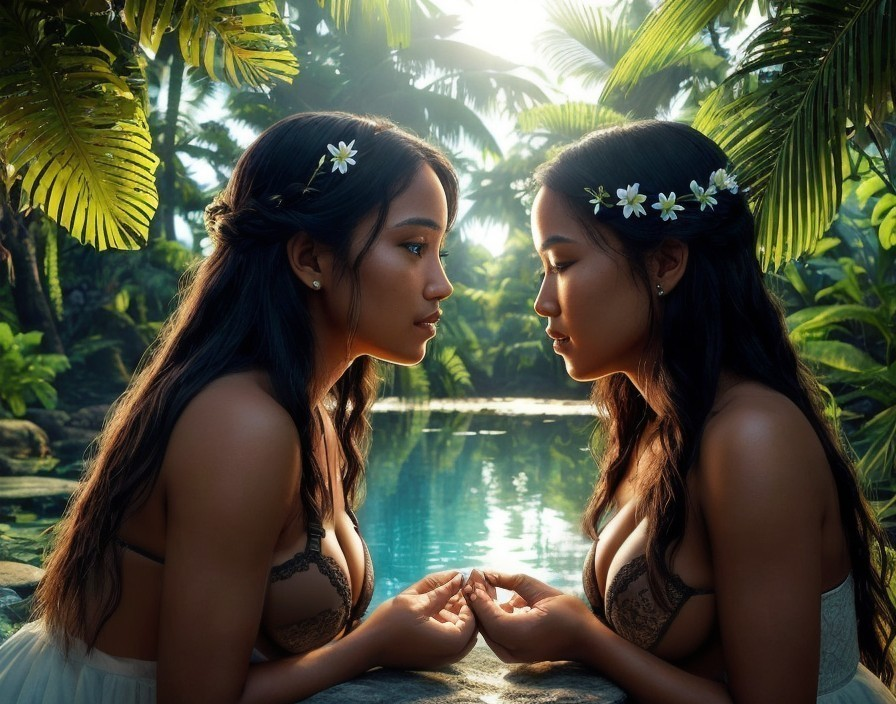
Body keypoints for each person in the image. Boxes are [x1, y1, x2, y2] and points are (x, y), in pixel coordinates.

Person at [0, 111, 476, 703]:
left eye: (440, 252)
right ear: (310, 259)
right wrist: (375, 643)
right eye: (412, 246)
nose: (440, 283)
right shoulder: (241, 426)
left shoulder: (309, 413)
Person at [463, 120, 896, 703]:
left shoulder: (752, 438)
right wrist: (566, 624)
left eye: (562, 264)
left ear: (667, 262)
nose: (542, 301)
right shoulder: (666, 425)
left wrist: (586, 637)